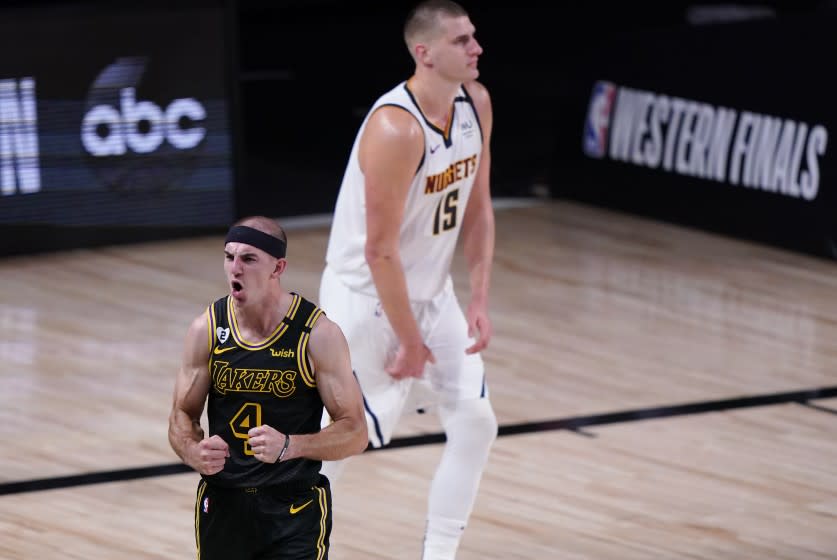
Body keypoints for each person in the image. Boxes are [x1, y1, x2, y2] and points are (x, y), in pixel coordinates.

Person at [318, 1, 498, 558]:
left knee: (476, 423)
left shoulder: (476, 103)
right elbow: (378, 251)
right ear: (424, 53)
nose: (477, 48)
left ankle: (439, 553)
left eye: (474, 37)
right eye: (462, 41)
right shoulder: (395, 128)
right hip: (365, 299)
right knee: (342, 445)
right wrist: (411, 340)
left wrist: (479, 298)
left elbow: (479, 207)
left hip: (430, 292)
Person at [168, 216, 368, 560]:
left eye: (248, 259)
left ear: (278, 267)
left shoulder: (317, 335)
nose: (235, 268)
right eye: (229, 257)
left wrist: (291, 446)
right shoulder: (208, 329)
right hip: (223, 503)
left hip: (293, 507)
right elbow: (181, 416)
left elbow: (355, 432)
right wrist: (192, 451)